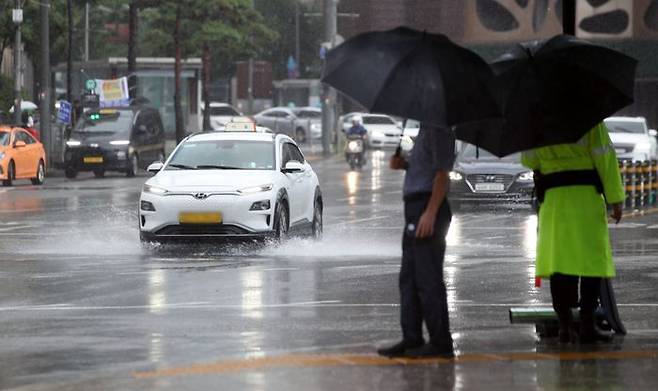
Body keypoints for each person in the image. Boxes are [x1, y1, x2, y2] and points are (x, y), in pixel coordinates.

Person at [521, 123, 624, 344]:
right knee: (591, 263)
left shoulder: (538, 120)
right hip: (586, 199)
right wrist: (615, 199)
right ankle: (587, 325)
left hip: (555, 202)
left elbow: (528, 160)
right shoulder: (590, 120)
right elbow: (605, 159)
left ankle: (565, 326)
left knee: (560, 263)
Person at [378, 123, 456, 358]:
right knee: (409, 278)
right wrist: (405, 166)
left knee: (428, 279)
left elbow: (442, 175)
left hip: (426, 208)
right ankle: (411, 337)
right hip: (415, 209)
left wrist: (430, 212)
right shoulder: (425, 129)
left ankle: (441, 343)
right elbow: (427, 169)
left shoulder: (439, 130)